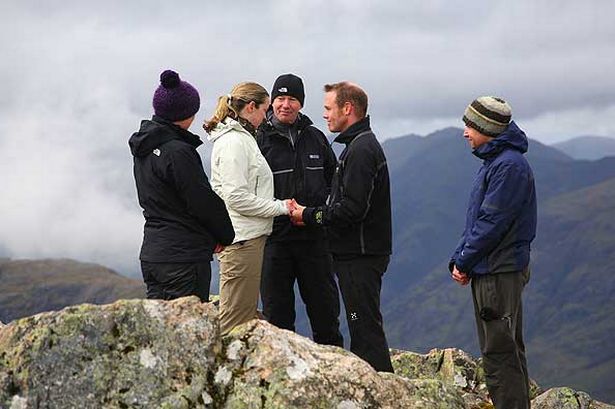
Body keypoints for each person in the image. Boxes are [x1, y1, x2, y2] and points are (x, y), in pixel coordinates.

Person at [290, 81, 394, 372]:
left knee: (365, 334)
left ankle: (384, 394)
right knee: (363, 329)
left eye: (328, 108)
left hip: (359, 255)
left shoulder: (361, 150)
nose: (325, 114)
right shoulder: (358, 145)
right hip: (358, 253)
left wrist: (308, 215)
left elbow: (351, 209)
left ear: (347, 108)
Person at [449, 96, 537, 408]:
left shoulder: (508, 166)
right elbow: (481, 218)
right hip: (492, 267)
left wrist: (464, 259)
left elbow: (492, 222)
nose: (465, 132)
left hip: (497, 271)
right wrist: (461, 258)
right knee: (508, 345)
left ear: (488, 127)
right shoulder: (498, 162)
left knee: (498, 350)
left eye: (470, 125)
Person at [129, 69, 234, 302]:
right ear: (186, 113)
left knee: (158, 330)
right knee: (188, 332)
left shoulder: (143, 148)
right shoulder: (178, 152)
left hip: (153, 254)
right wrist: (224, 235)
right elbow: (200, 199)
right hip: (183, 258)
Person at [257, 74, 343, 347]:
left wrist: (324, 213)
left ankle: (336, 375)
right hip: (274, 241)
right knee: (278, 319)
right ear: (271, 102)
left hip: (315, 240)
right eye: (280, 99)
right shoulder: (259, 140)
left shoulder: (315, 138)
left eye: (292, 99)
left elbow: (335, 183)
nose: (285, 105)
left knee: (326, 315)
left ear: (301, 103)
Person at [203, 82, 293, 335]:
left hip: (246, 238)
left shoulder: (242, 139)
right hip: (242, 239)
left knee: (243, 313)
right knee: (236, 320)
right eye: (265, 109)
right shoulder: (234, 142)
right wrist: (281, 207)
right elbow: (235, 196)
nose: (267, 116)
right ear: (251, 107)